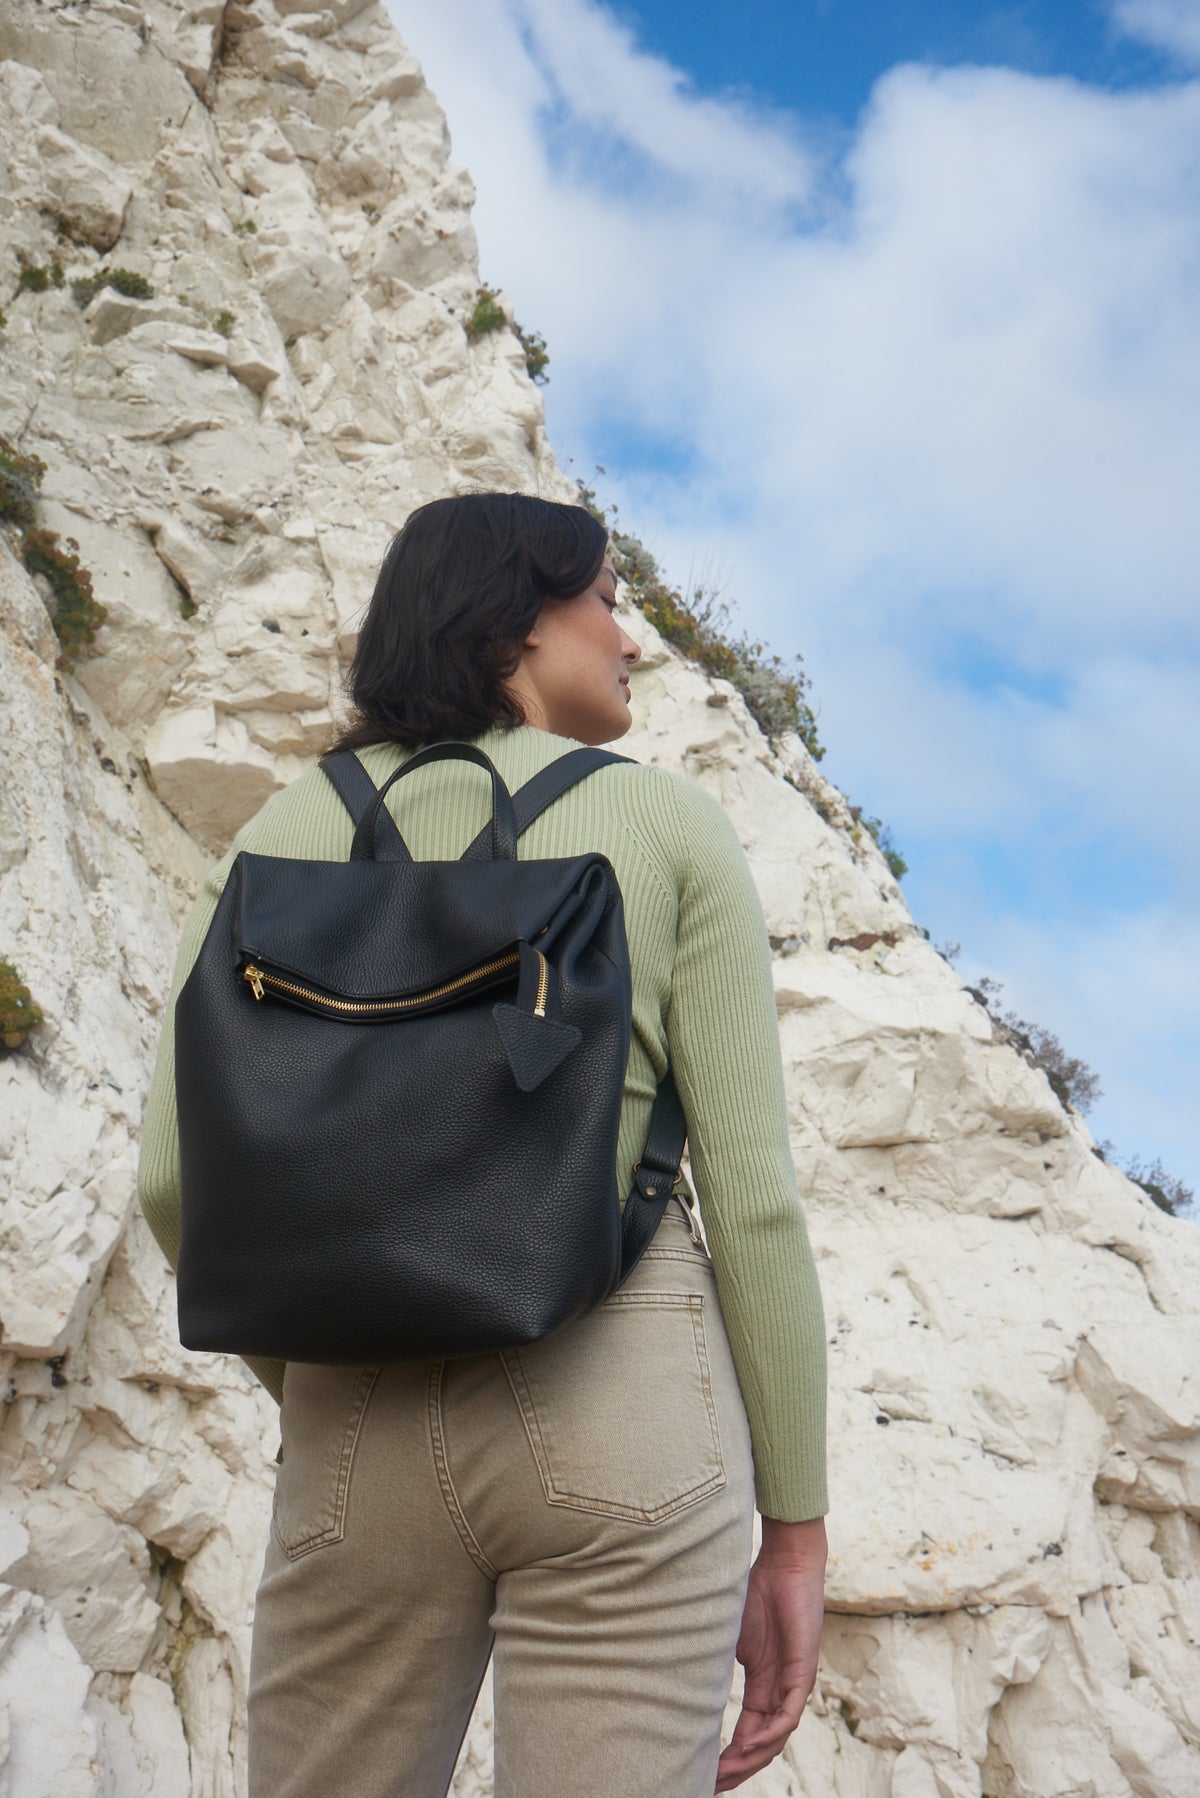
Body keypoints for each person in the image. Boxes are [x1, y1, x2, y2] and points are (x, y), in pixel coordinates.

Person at [137, 492, 829, 1797]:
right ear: (521, 613)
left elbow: (174, 1174)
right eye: (612, 602)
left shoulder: (276, 835)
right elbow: (755, 1204)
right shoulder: (670, 825)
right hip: (617, 1387)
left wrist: (322, 1372)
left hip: (355, 1422)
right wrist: (793, 1530)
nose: (634, 641)